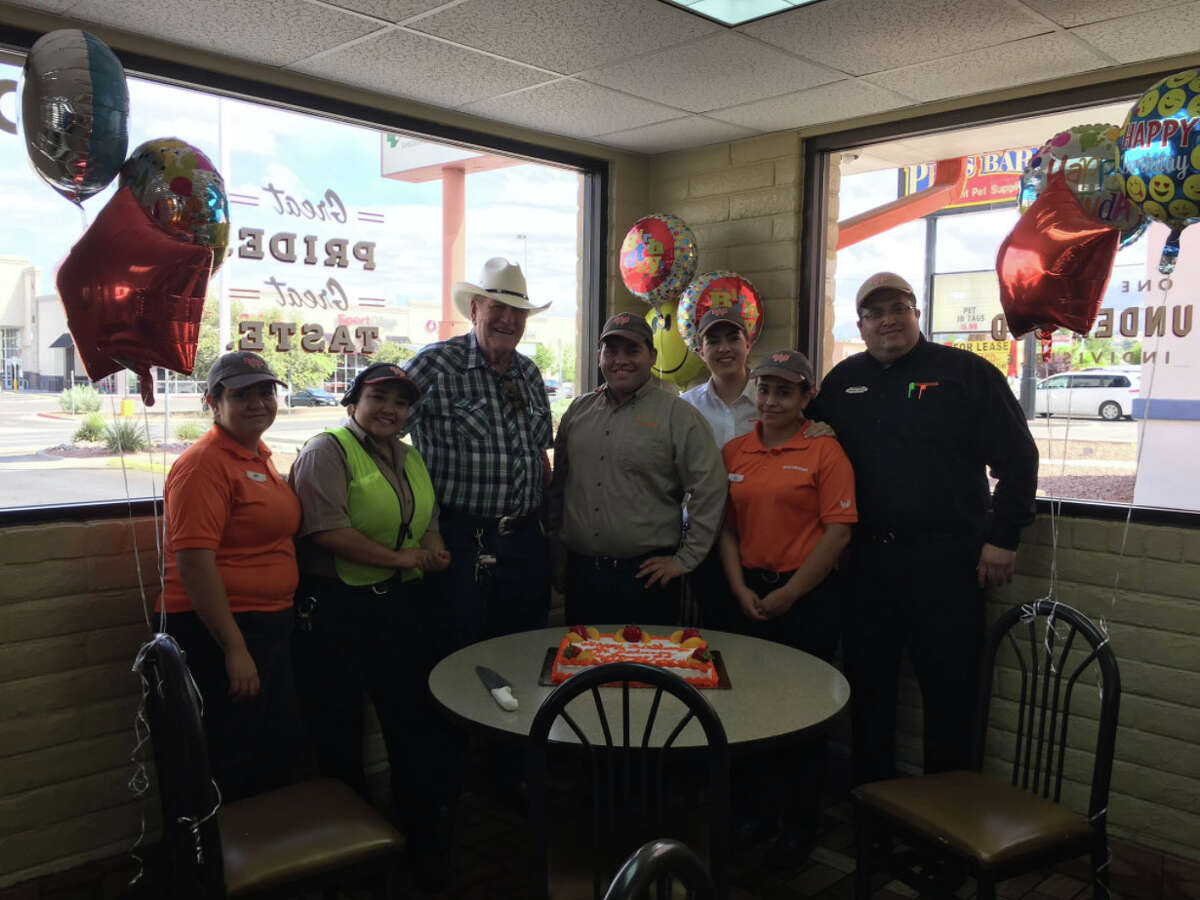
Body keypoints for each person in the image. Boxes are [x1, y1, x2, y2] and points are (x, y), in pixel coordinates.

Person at [806, 272, 1039, 785]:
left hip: (950, 569)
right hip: (867, 568)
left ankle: (946, 833)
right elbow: (810, 454)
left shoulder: (966, 375)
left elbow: (1019, 458)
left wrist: (1004, 538)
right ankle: (873, 815)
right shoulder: (843, 382)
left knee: (951, 698)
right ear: (861, 325)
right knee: (868, 696)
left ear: (916, 314)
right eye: (874, 313)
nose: (887, 320)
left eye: (898, 308)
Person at [288, 362, 454, 879]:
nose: (390, 409)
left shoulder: (409, 455)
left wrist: (435, 549)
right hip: (338, 611)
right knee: (339, 737)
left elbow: (426, 519)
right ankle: (351, 863)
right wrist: (402, 559)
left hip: (396, 609)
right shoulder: (326, 450)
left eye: (401, 402)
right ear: (353, 400)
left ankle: (421, 849)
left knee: (411, 726)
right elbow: (325, 530)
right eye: (379, 397)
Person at [718, 348, 857, 867]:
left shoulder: (826, 453)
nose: (771, 400)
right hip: (749, 596)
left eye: (784, 391)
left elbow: (838, 532)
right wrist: (738, 589)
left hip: (807, 599)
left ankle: (799, 827)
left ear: (805, 397)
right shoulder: (734, 452)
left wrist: (790, 593)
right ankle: (754, 815)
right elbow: (725, 531)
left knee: (802, 716)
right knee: (747, 710)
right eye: (764, 388)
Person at [159, 351, 302, 802]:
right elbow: (194, 563)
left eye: (266, 392)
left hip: (264, 624)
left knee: (267, 751)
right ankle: (225, 864)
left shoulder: (256, 455)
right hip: (220, 631)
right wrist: (234, 648)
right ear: (212, 403)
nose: (258, 403)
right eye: (241, 394)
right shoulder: (203, 464)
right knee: (229, 757)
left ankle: (264, 856)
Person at [403, 257, 554, 654]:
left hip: (524, 543)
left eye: (517, 311)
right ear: (474, 310)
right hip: (458, 541)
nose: (508, 319)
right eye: (496, 307)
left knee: (525, 651)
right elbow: (376, 432)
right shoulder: (436, 364)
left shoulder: (529, 373)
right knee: (459, 657)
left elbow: (539, 455)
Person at [549, 312, 727, 626]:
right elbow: (560, 487)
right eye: (611, 351)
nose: (620, 360)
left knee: (646, 672)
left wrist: (685, 560)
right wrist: (558, 556)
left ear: (652, 356)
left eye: (632, 351)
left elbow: (710, 489)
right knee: (585, 670)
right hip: (583, 576)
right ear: (599, 356)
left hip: (647, 580)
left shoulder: (678, 416)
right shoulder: (577, 411)